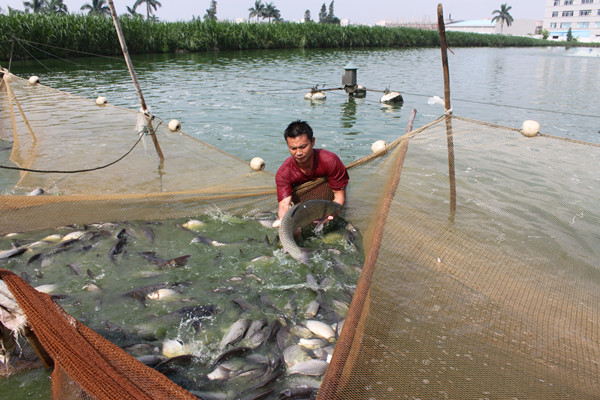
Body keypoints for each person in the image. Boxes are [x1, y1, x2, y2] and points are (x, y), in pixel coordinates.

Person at [272, 120, 349, 228]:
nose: (298, 153)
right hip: (300, 207)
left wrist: (331, 215)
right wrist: (287, 225)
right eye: (293, 148)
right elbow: (284, 205)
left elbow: (339, 195)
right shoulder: (284, 173)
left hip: (326, 201)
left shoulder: (330, 161)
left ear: (313, 141)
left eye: (303, 147)